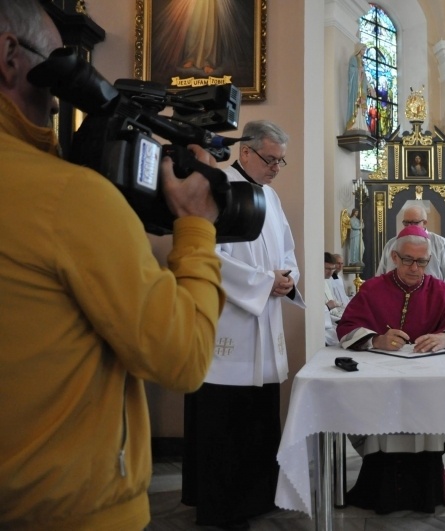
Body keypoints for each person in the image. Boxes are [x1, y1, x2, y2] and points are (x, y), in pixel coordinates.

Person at [0, 2, 225, 529]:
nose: (57, 104)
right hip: (70, 510)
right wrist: (194, 224)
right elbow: (185, 358)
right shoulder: (69, 199)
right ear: (10, 57)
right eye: (54, 65)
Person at [182, 120, 305, 529]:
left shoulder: (270, 196)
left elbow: (285, 248)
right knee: (224, 422)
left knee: (258, 417)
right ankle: (221, 505)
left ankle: (255, 498)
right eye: (271, 159)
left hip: (265, 320)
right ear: (246, 152)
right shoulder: (217, 187)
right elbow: (206, 253)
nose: (276, 167)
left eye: (281, 160)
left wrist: (287, 278)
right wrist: (262, 282)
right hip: (227, 321)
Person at [337, 225, 445, 514]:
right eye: (408, 260)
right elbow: (346, 327)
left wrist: (444, 337)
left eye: (422, 262)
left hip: (427, 383)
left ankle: (427, 489)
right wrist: (376, 339)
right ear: (395, 257)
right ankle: (379, 490)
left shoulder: (440, 290)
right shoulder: (373, 288)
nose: (415, 268)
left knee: (426, 425)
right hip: (381, 382)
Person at [376, 204, 445, 308]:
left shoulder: (441, 245)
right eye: (406, 223)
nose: (409, 226)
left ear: (425, 222)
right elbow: (380, 279)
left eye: (414, 222)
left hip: (431, 305)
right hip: (394, 304)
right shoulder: (391, 244)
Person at [346, 42, 369, 131]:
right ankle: (354, 124)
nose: (364, 51)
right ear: (359, 50)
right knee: (355, 103)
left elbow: (365, 76)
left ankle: (361, 124)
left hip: (361, 86)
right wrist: (358, 70)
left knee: (361, 103)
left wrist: (369, 87)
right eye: (363, 49)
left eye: (365, 50)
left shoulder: (362, 62)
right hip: (355, 87)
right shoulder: (353, 59)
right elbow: (351, 71)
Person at [324, 252, 345, 321]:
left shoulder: (327, 281)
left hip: (334, 317)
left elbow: (334, 303)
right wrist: (327, 307)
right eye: (328, 269)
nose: (331, 272)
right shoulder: (315, 283)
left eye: (332, 269)